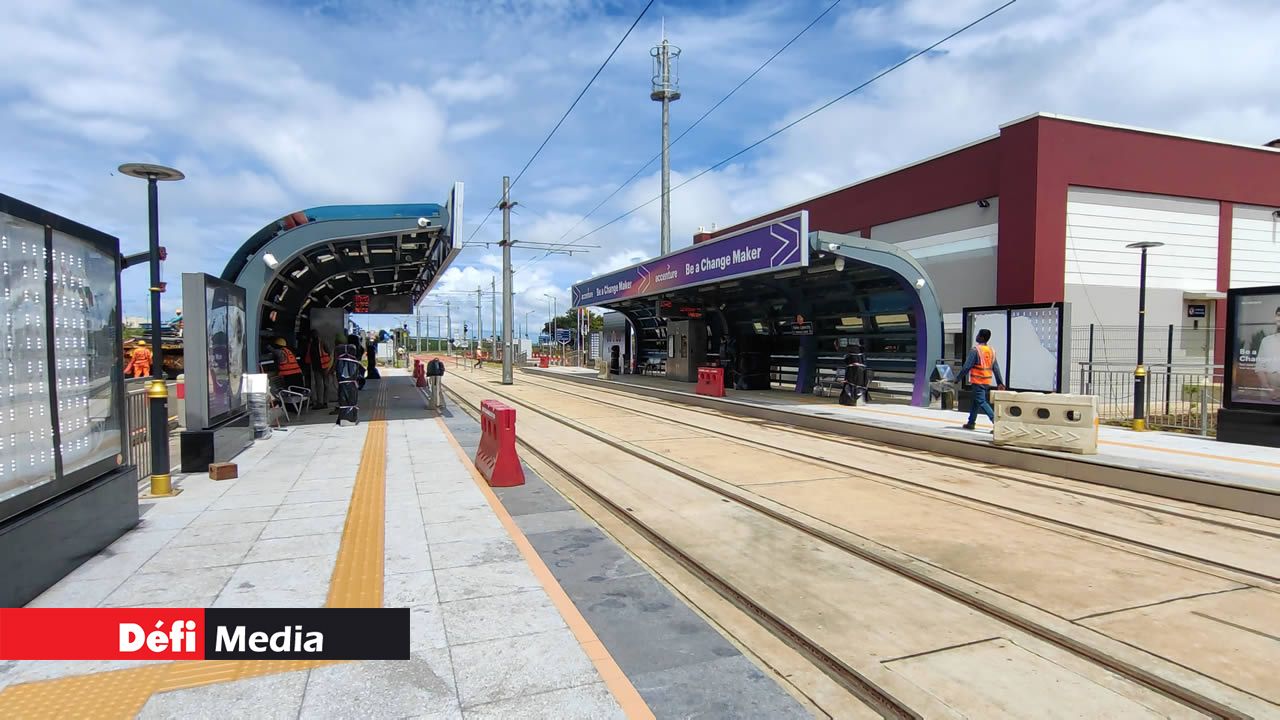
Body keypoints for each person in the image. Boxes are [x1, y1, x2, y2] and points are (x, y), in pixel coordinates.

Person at [960, 328, 1006, 430]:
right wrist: (1000, 382)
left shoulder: (975, 350)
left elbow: (967, 366)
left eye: (978, 334)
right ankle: (971, 422)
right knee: (976, 401)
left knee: (981, 401)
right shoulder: (991, 351)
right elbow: (996, 368)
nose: (976, 336)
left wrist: (958, 378)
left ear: (981, 337)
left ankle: (997, 424)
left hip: (977, 381)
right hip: (986, 381)